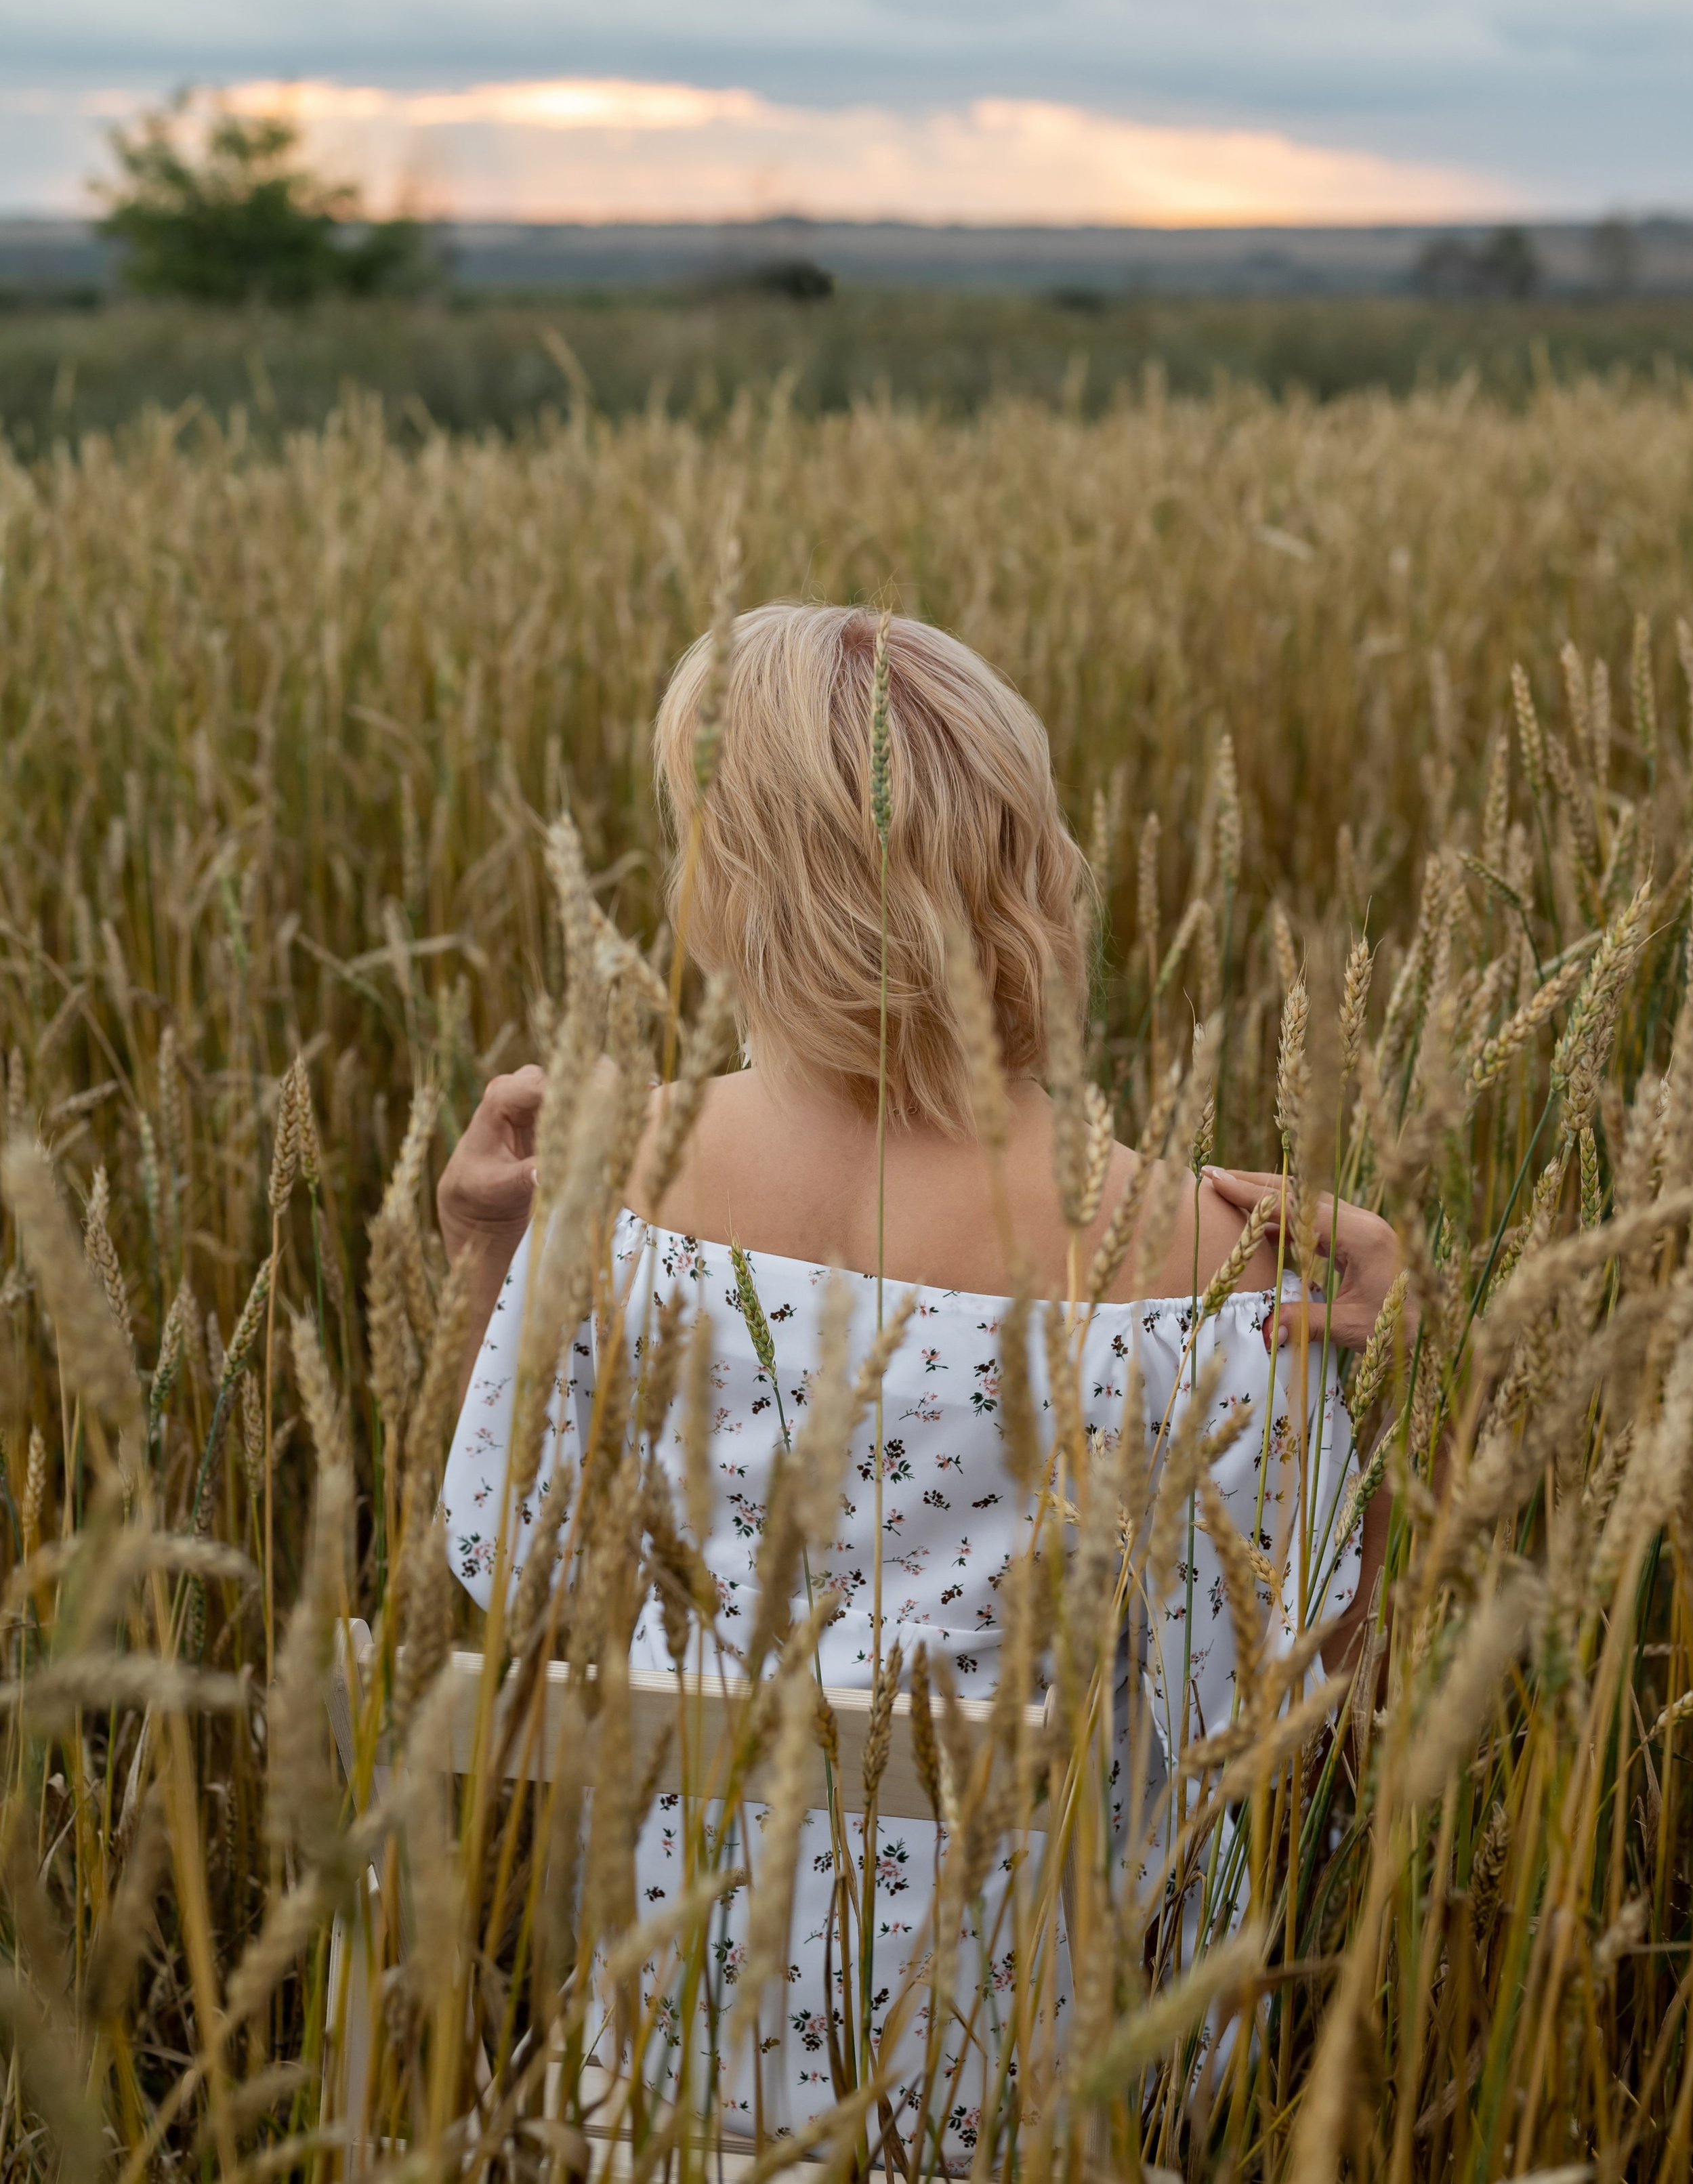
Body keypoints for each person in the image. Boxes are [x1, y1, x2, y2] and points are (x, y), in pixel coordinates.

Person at [437, 603, 1397, 2148]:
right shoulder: (1202, 1263)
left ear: (725, 881)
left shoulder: (617, 1183)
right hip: (1041, 2095)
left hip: (669, 2068)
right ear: (1032, 860)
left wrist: (493, 1257)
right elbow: (1312, 1709)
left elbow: (514, 1574)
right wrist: (1395, 1380)